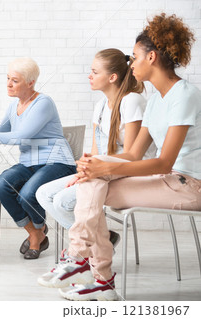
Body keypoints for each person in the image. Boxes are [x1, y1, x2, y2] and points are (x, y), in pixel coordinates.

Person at [42, 13, 201, 301]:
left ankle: (83, 260)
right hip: (166, 179)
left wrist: (103, 167)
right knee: (93, 182)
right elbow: (132, 153)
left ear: (151, 57)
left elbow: (165, 161)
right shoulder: (156, 100)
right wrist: (95, 167)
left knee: (95, 183)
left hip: (188, 184)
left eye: (135, 56)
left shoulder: (184, 95)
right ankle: (96, 274)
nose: (131, 63)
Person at [35, 48, 155, 251]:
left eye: (95, 72)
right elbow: (93, 151)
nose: (89, 76)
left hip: (127, 173)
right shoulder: (100, 106)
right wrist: (83, 171)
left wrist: (90, 172)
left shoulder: (132, 101)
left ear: (112, 77)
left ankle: (88, 248)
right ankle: (103, 239)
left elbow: (132, 157)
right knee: (44, 194)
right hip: (102, 170)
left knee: (63, 201)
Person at [0, 57, 77, 259]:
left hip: (57, 162)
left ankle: (37, 235)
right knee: (2, 184)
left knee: (27, 194)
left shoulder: (43, 103)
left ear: (30, 82)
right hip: (29, 164)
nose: (8, 84)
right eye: (7, 78)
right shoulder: (13, 107)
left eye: (14, 80)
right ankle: (36, 232)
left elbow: (21, 136)